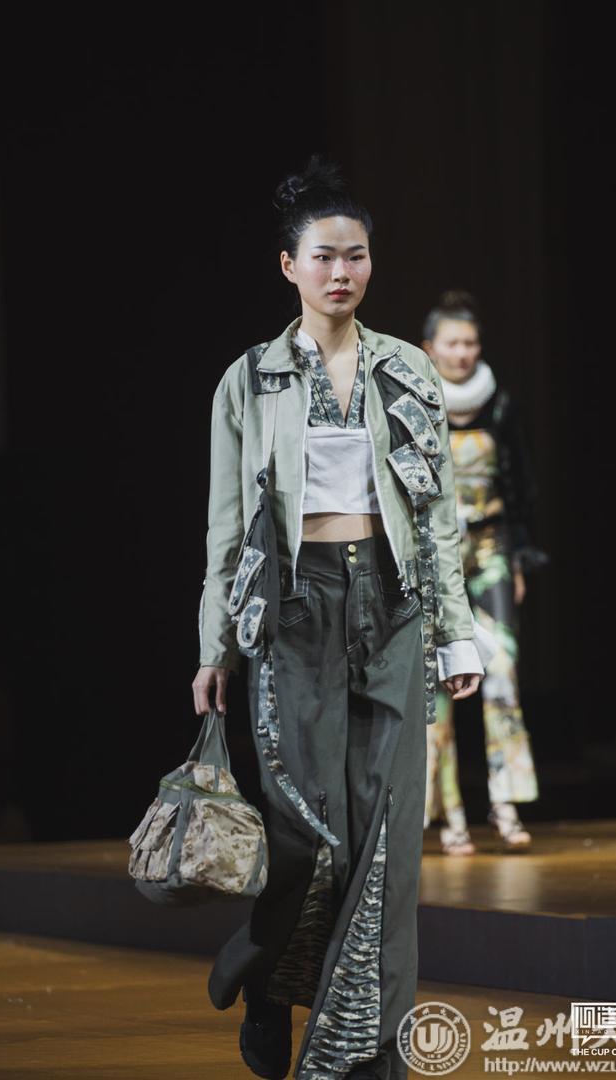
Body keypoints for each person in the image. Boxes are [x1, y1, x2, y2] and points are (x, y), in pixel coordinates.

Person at [191, 157, 495, 1080]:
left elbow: (437, 515)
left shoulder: (406, 368)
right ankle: (265, 975)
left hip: (393, 604)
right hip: (293, 611)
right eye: (323, 256)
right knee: (304, 833)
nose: (341, 272)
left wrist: (457, 631)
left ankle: (372, 1052)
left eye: (355, 256)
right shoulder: (250, 380)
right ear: (289, 266)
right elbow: (225, 528)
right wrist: (214, 647)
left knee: (390, 840)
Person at [421, 290, 548, 857]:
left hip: (492, 547)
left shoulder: (500, 405)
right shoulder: (416, 402)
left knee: (501, 671)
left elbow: (520, 487)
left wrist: (518, 558)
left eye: (471, 342)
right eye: (452, 343)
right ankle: (448, 814)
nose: (463, 352)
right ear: (430, 347)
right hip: (437, 556)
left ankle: (506, 801)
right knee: (438, 682)